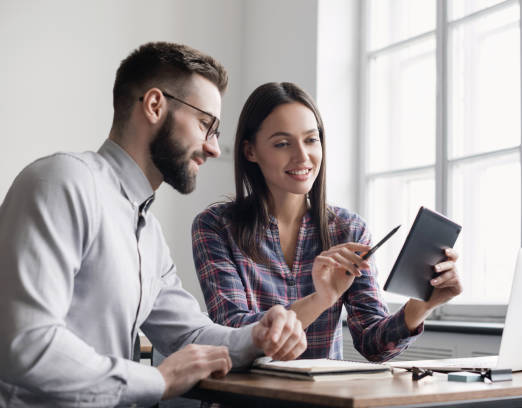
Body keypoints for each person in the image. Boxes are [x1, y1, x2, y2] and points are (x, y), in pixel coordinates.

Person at [0, 43, 306, 408]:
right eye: (205, 125)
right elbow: (24, 343)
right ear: (155, 106)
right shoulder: (63, 181)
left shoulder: (149, 233)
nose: (213, 148)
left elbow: (189, 333)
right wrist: (158, 380)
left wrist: (257, 336)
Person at [192, 82, 462, 361]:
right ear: (250, 151)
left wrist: (421, 306)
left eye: (311, 139)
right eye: (282, 143)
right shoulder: (215, 226)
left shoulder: (348, 229)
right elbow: (234, 331)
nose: (302, 156)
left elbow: (373, 344)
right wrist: (320, 300)